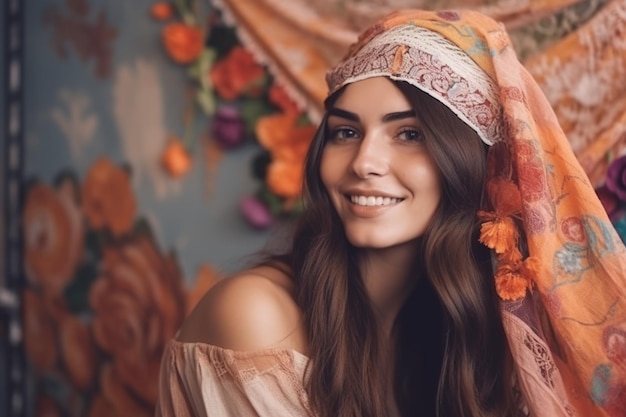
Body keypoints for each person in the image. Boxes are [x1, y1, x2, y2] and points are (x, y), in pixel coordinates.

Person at [156, 9, 626, 417]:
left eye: (409, 134)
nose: (364, 162)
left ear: (473, 163)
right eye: (345, 133)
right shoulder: (256, 318)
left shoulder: (474, 330)